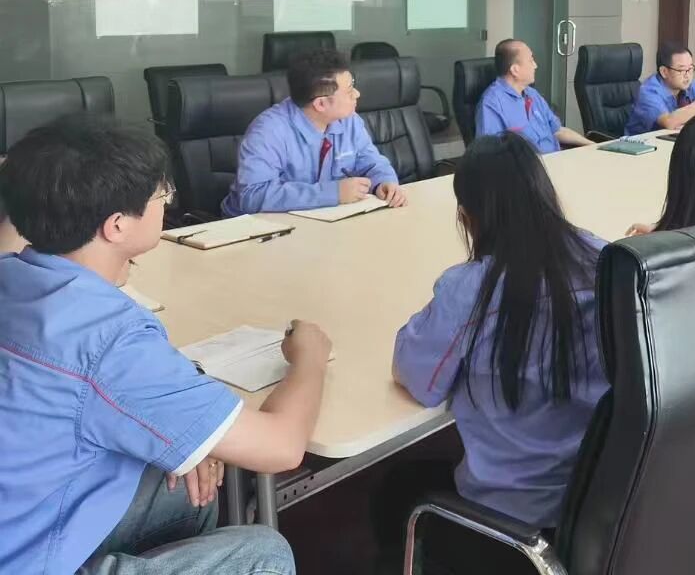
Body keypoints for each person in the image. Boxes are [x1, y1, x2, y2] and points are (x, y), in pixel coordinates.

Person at [0, 116, 331, 575]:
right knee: (262, 554)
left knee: (182, 489)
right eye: (161, 195)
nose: (168, 202)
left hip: (20, 515)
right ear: (116, 226)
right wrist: (309, 358)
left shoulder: (11, 273)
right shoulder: (110, 337)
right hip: (24, 560)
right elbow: (282, 447)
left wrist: (190, 434)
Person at [388, 132, 608, 568]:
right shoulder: (605, 260)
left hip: (510, 523)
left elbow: (415, 375)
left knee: (393, 490)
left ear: (467, 218)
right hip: (598, 506)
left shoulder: (469, 290)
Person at [223, 49, 407, 216]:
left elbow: (371, 163)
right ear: (321, 104)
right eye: (349, 91)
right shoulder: (268, 131)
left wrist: (384, 182)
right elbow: (252, 196)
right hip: (258, 228)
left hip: (322, 221)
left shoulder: (348, 120)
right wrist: (332, 193)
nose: (357, 94)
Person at [475, 39, 591, 153]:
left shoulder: (532, 94)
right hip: (527, 164)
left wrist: (592, 145)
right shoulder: (492, 103)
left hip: (555, 159)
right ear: (515, 70)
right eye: (531, 60)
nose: (535, 65)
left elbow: (557, 130)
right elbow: (490, 153)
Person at [623, 41, 695, 136]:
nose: (687, 75)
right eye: (682, 70)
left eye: (690, 68)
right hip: (642, 146)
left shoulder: (691, 85)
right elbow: (669, 122)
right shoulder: (648, 91)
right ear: (664, 72)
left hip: (675, 141)